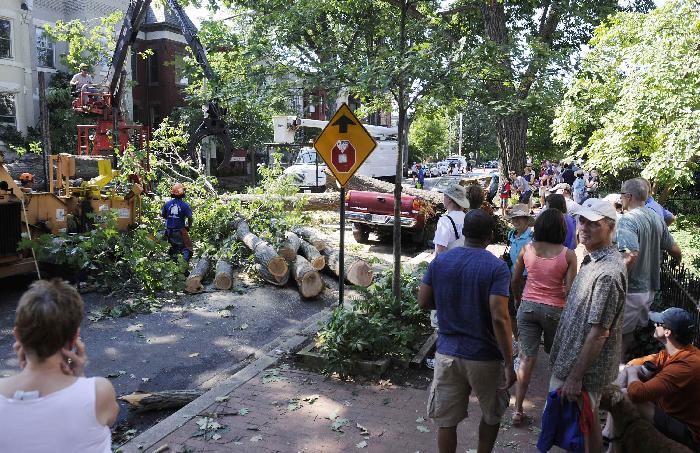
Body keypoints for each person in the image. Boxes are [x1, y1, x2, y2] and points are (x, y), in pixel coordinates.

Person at [418, 210, 515, 453]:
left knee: (446, 420)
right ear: (490, 236)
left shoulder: (440, 261)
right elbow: (500, 318)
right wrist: (509, 362)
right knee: (491, 415)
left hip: (447, 354)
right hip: (485, 357)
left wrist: (450, 303)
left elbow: (423, 301)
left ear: (464, 233)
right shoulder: (497, 268)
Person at [0, 279, 119, 452]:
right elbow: (110, 416)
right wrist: (79, 377)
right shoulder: (99, 392)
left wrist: (25, 373)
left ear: (17, 336)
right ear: (74, 338)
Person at [548, 198, 627, 453]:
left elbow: (599, 333)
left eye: (594, 223)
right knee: (588, 424)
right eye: (582, 220)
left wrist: (574, 377)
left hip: (580, 370)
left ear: (611, 227)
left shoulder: (607, 273)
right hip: (574, 363)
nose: (584, 227)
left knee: (574, 429)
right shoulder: (595, 259)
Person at [510, 209, 578, 425]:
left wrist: (518, 299)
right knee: (556, 358)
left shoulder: (527, 249)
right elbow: (570, 289)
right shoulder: (568, 254)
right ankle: (552, 412)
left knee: (526, 358)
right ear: (561, 229)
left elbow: (515, 279)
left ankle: (517, 409)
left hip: (528, 307)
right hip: (555, 310)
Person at [604, 308, 700, 451]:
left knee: (624, 395)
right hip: (666, 411)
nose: (655, 324)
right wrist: (629, 370)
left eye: (659, 323)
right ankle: (609, 436)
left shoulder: (686, 365)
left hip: (686, 431)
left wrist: (631, 373)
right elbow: (633, 364)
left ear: (668, 332)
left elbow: (637, 394)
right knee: (623, 374)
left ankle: (611, 442)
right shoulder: (676, 351)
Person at [616, 178, 682, 360]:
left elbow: (630, 255)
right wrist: (677, 262)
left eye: (621, 195)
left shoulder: (627, 220)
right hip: (650, 289)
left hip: (631, 289)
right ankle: (624, 367)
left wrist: (614, 282)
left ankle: (615, 379)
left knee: (618, 338)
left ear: (628, 196)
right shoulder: (656, 217)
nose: (620, 199)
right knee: (629, 334)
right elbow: (675, 249)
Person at [434, 183, 470, 254]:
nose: (443, 198)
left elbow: (439, 250)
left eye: (444, 195)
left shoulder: (445, 221)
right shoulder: (468, 218)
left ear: (449, 199)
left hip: (450, 262)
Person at [162, 182, 194, 262]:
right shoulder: (184, 205)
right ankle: (183, 267)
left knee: (174, 249)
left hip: (169, 231)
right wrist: (188, 226)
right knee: (186, 249)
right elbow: (190, 217)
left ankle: (174, 267)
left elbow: (163, 215)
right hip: (179, 231)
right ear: (182, 193)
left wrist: (171, 219)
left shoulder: (167, 204)